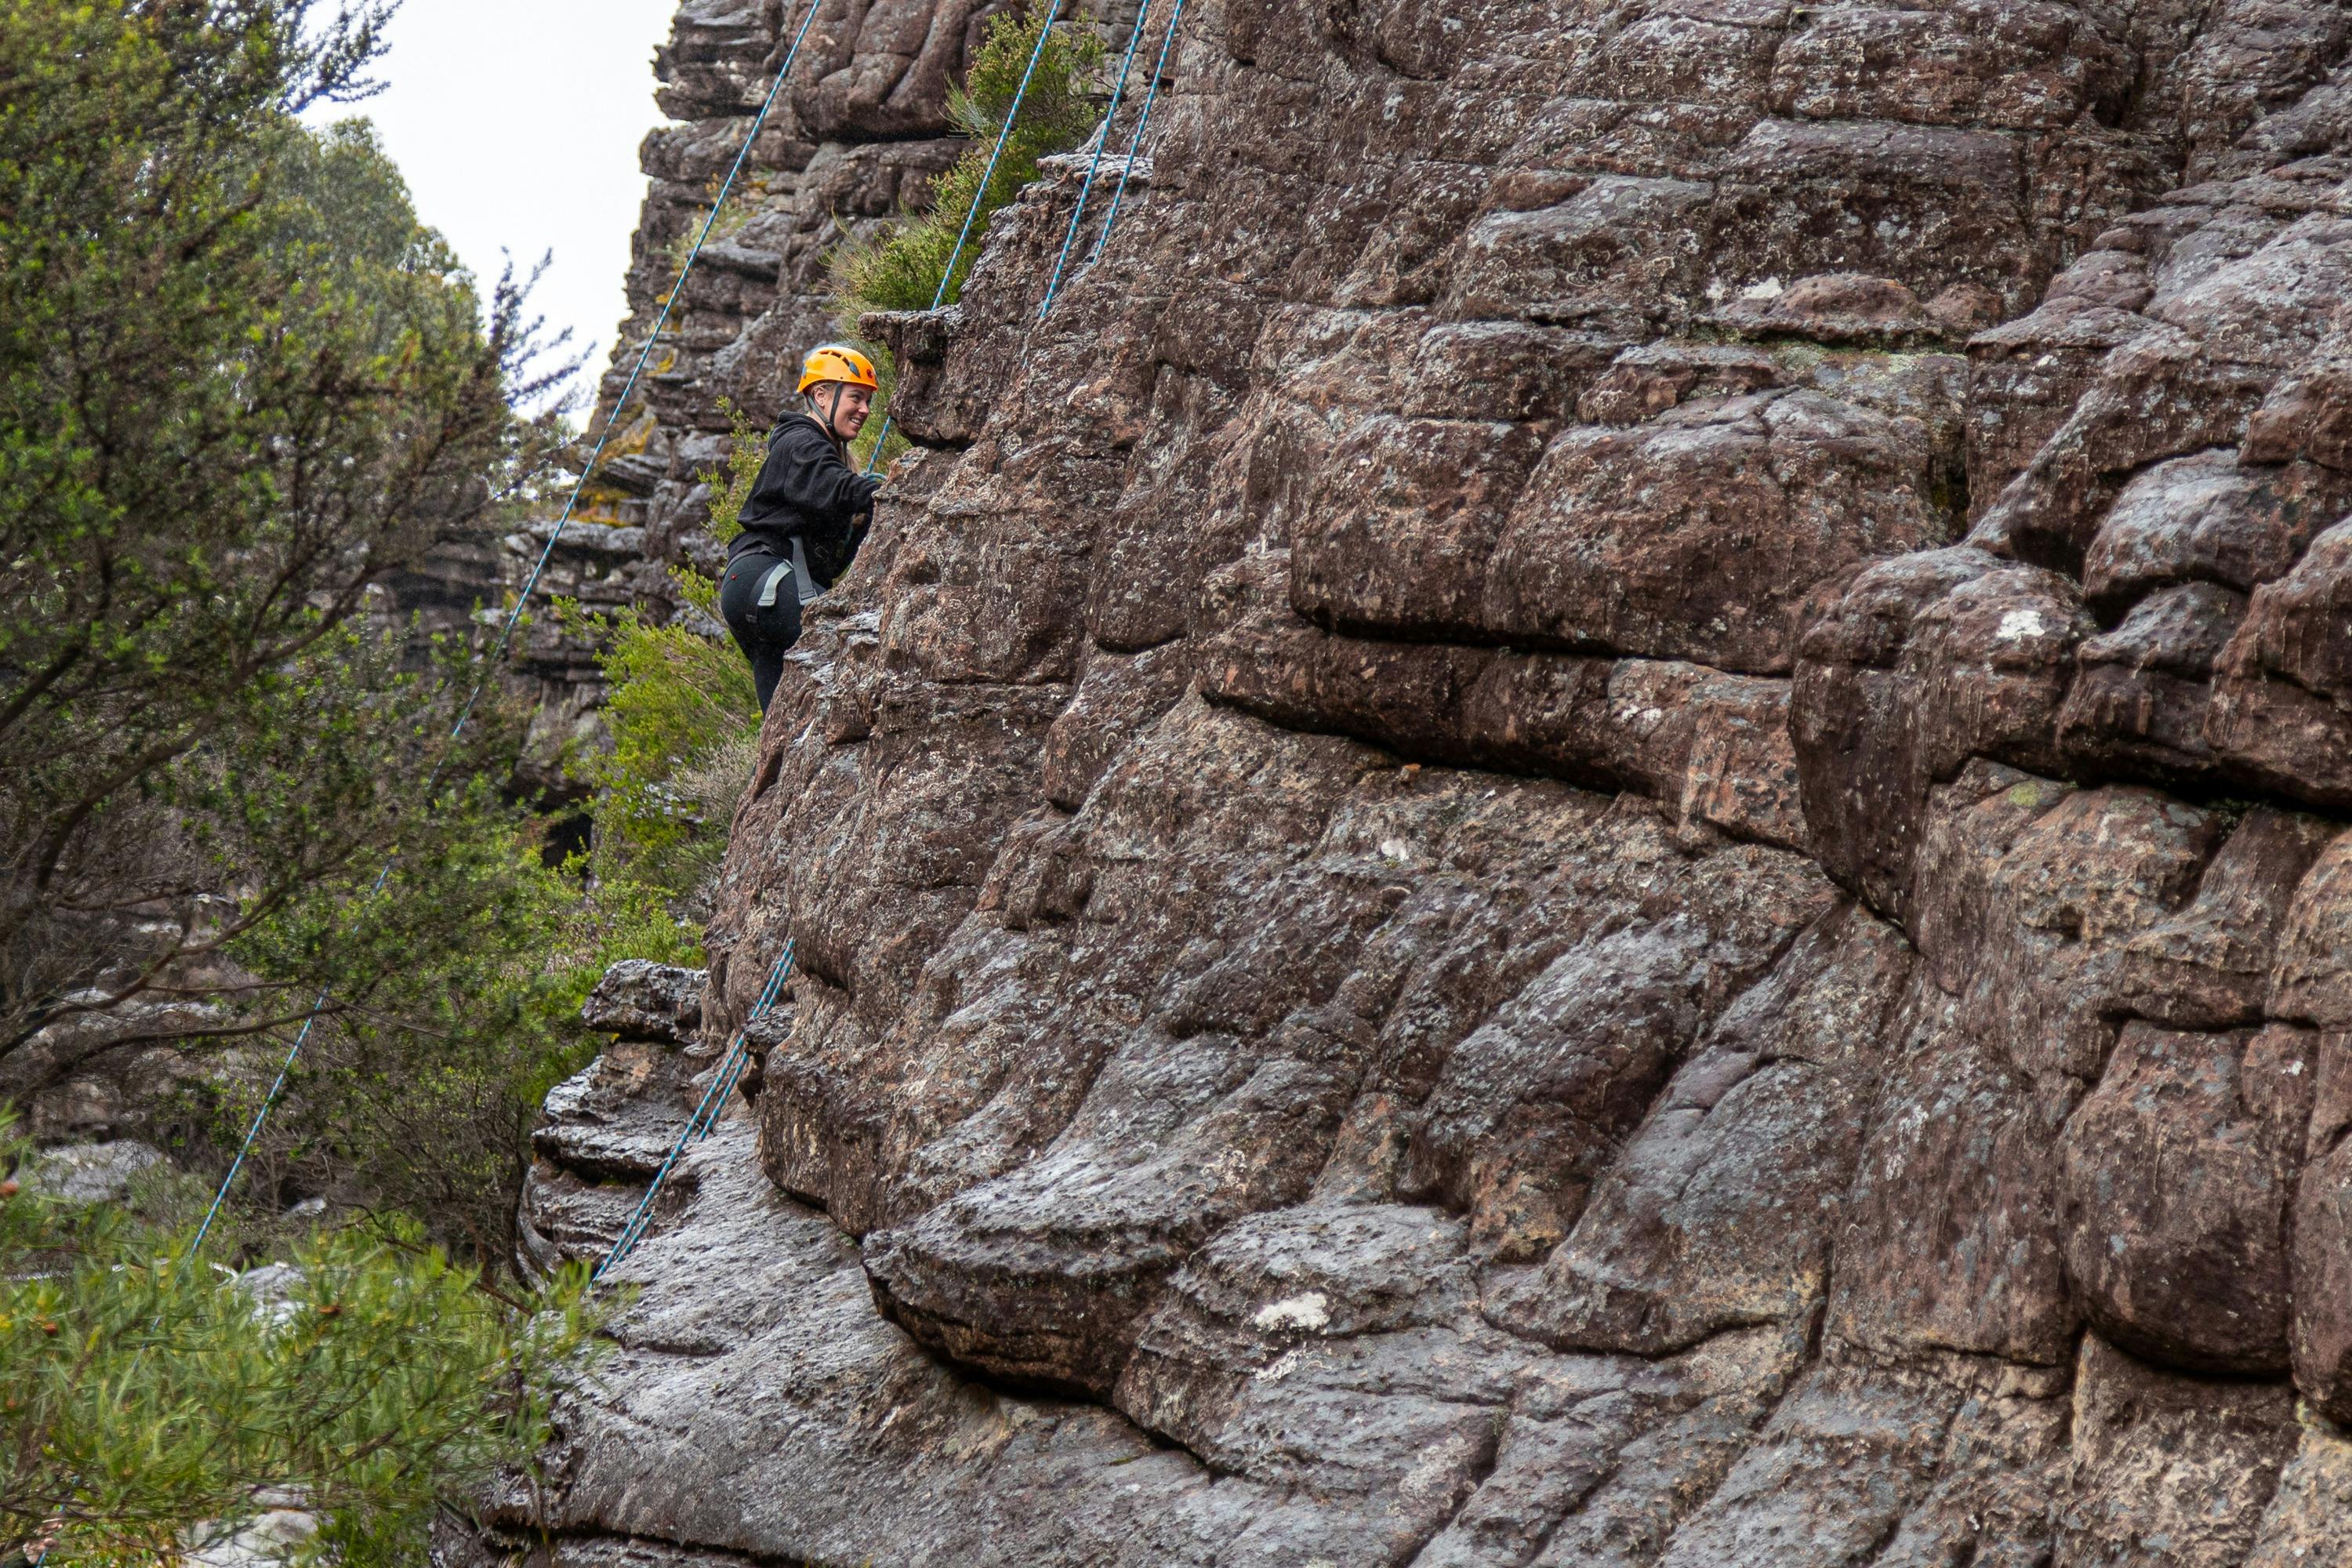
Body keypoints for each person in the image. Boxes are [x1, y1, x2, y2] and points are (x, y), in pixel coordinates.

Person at [718, 343, 884, 710]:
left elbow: (832, 556)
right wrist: (885, 490)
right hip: (768, 578)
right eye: (856, 397)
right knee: (848, 650)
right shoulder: (801, 443)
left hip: (752, 587)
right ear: (822, 396)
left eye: (868, 401)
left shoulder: (812, 450)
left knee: (787, 723)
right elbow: (834, 485)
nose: (865, 410)